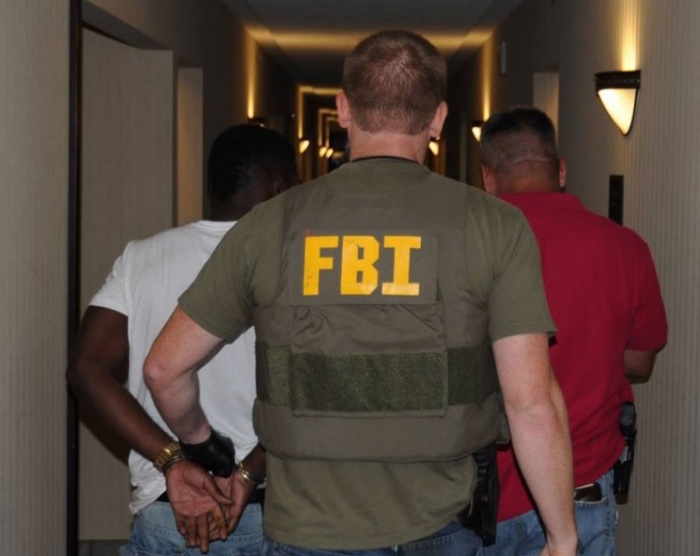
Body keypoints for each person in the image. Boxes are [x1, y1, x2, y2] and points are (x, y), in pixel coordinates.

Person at [143, 30, 578, 556]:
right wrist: (562, 537)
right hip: (439, 528)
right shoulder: (496, 226)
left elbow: (163, 369)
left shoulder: (268, 225)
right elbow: (531, 403)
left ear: (345, 109)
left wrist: (201, 446)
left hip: (305, 532)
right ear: (439, 119)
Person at [67, 124, 299, 555]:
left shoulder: (142, 256)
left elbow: (85, 368)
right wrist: (249, 471)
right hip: (265, 507)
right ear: (280, 186)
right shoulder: (297, 264)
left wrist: (172, 459)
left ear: (211, 189)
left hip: (167, 509)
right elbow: (314, 389)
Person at [478, 106, 668, 556]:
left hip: (484, 501)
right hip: (581, 493)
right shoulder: (624, 247)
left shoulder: (471, 248)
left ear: (488, 179)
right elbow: (640, 361)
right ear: (560, 171)